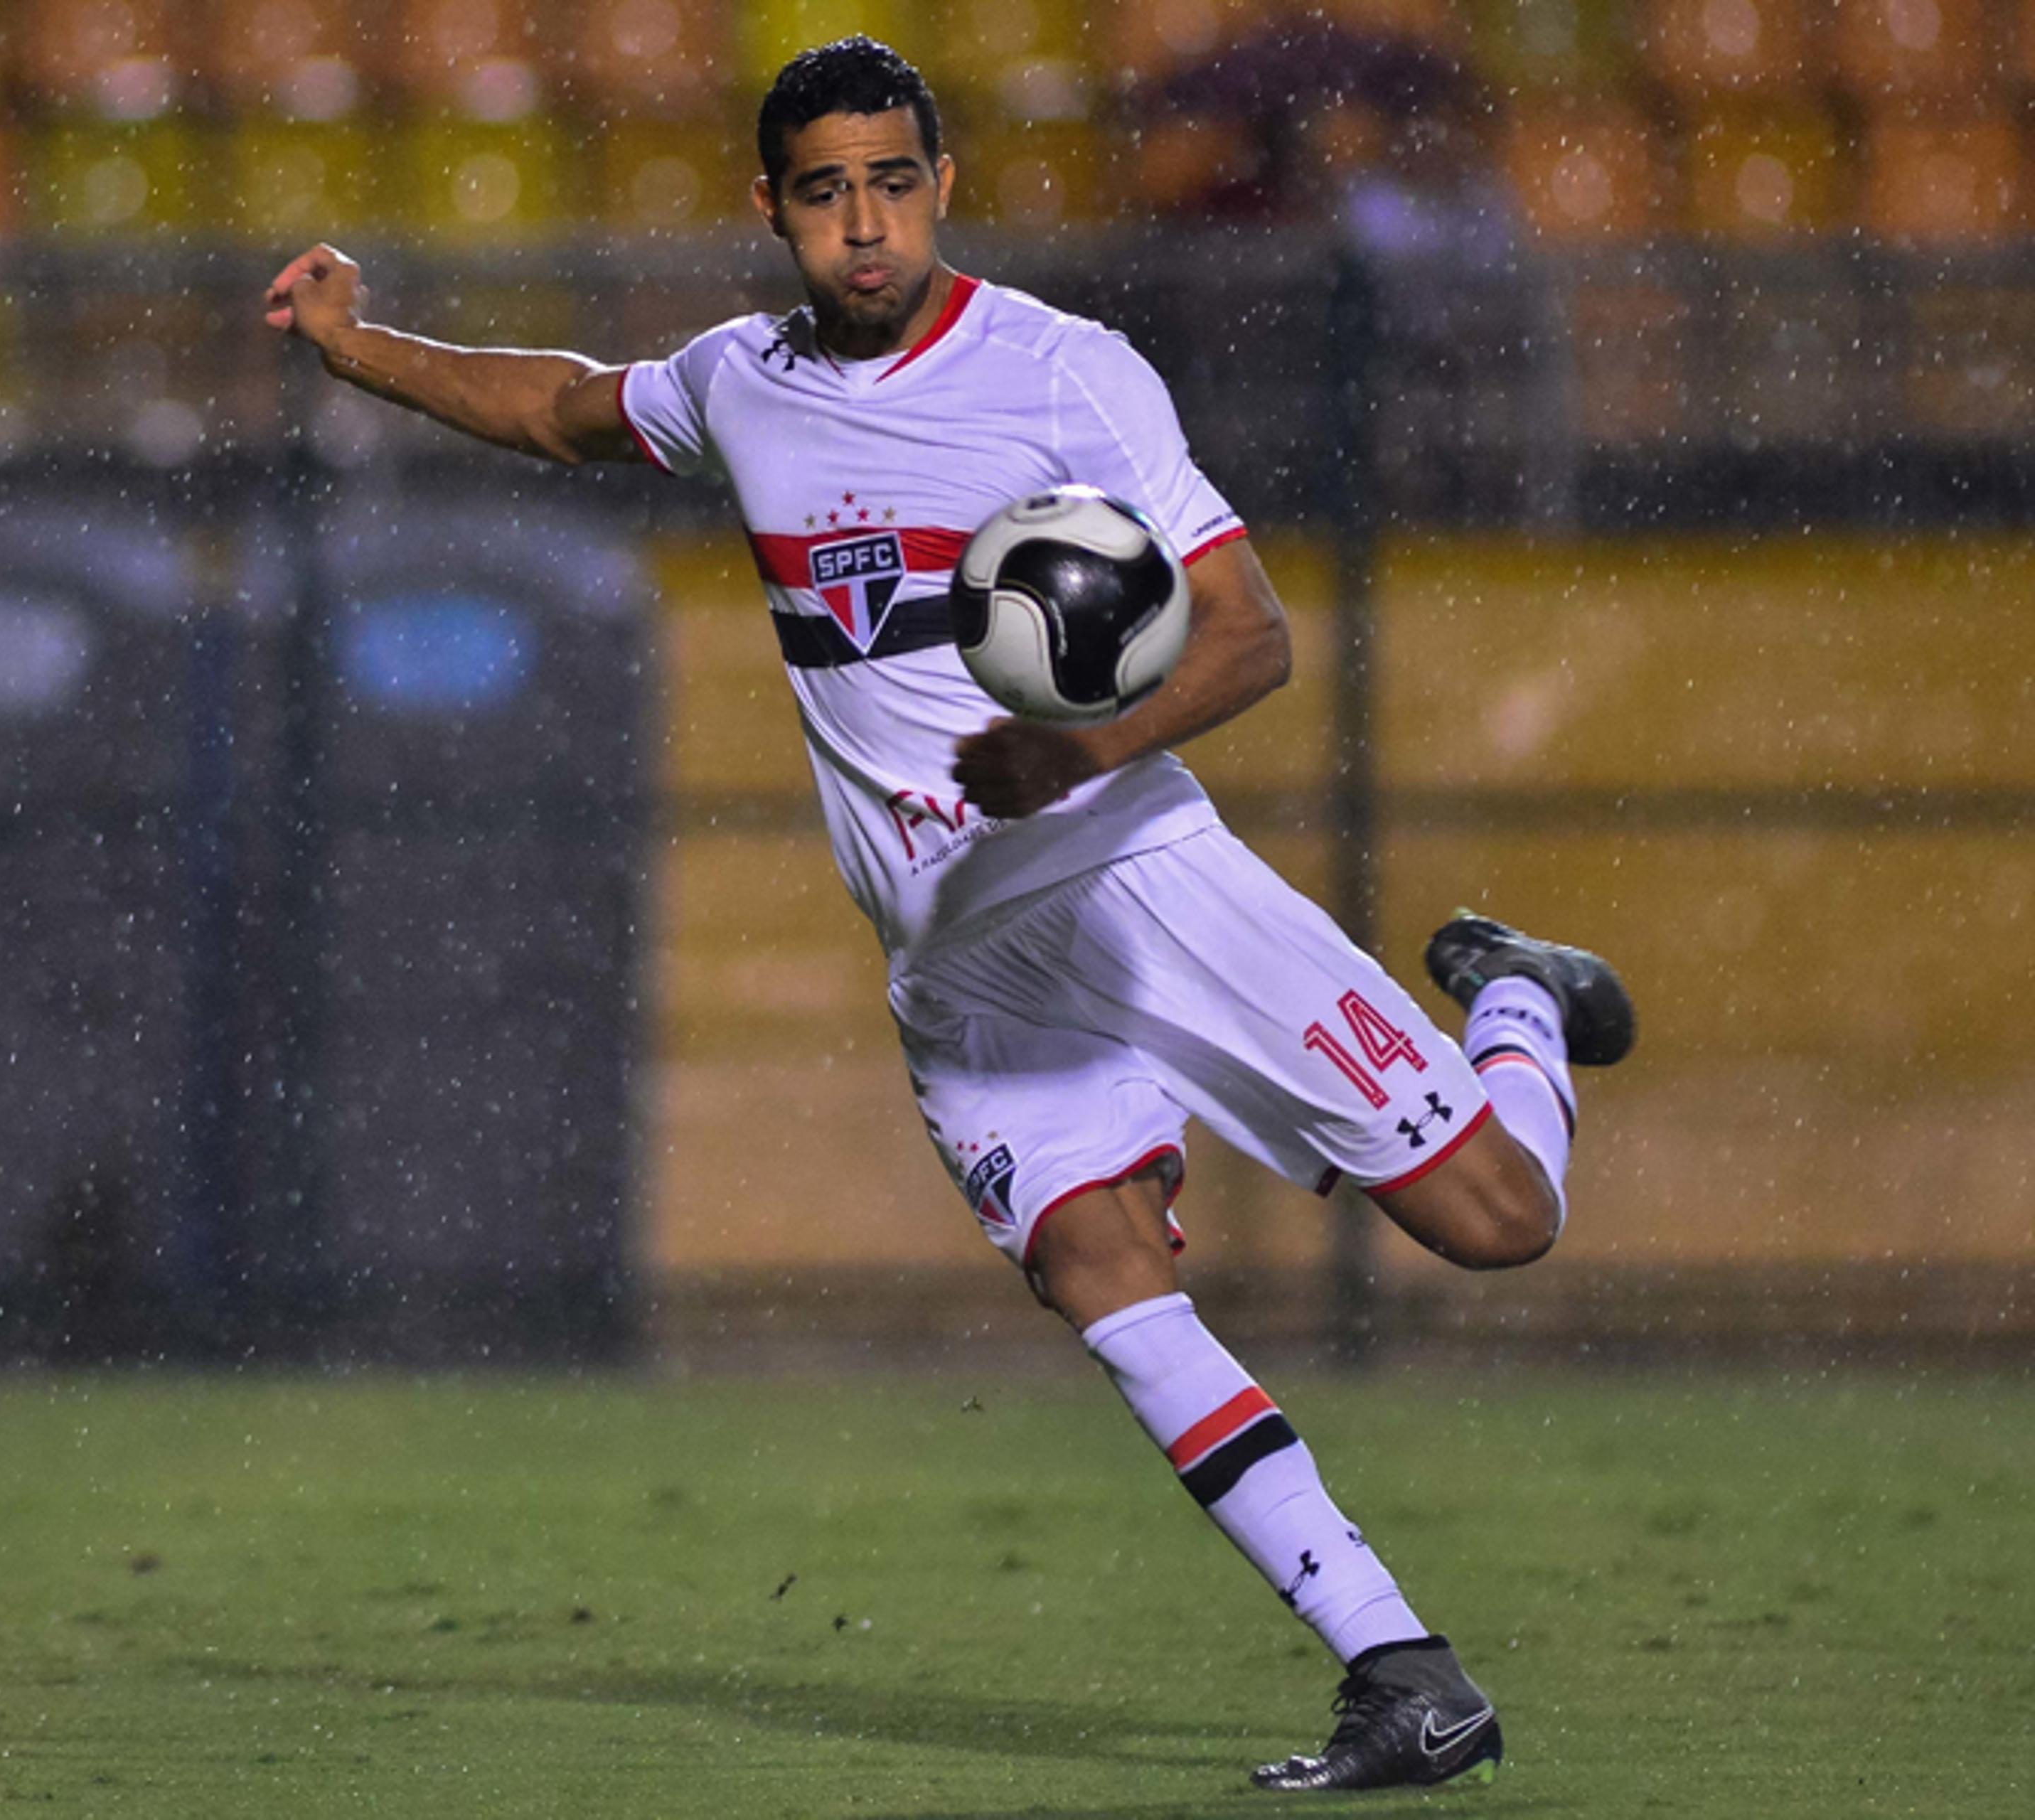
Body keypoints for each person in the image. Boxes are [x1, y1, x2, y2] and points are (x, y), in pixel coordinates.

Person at [262, 36, 1633, 1794]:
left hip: (1133, 876)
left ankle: (1514, 1000)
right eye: (825, 191)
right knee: (1100, 1271)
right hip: (955, 953)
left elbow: (1250, 635)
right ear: (771, 206)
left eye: (892, 183)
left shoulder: (1071, 375)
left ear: (943, 184)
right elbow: (562, 404)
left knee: (1499, 1217)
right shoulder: (739, 381)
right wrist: (363, 343)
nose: (862, 226)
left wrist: (1081, 750)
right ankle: (1404, 1673)